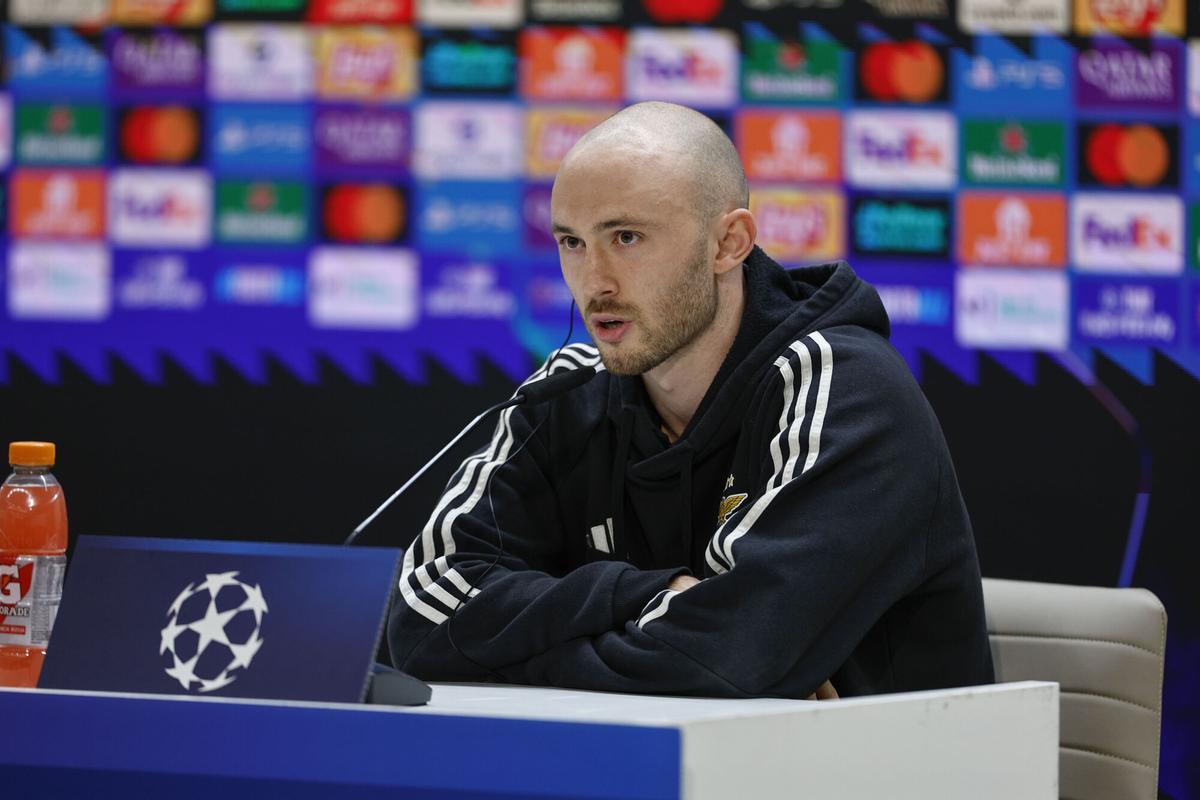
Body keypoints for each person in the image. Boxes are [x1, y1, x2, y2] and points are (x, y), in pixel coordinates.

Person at [388, 102, 994, 698]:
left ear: (729, 243)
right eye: (572, 242)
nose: (594, 281)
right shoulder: (567, 390)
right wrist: (649, 595)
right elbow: (419, 621)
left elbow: (731, 657)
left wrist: (521, 643)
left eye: (627, 237)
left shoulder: (845, 389)